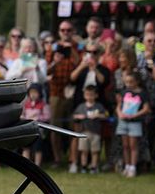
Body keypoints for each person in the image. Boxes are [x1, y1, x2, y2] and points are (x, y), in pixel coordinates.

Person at [46, 20, 81, 167]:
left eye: (68, 30)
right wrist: (55, 60)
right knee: (55, 126)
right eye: (63, 30)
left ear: (73, 31)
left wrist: (71, 49)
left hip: (73, 91)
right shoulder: (53, 48)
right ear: (59, 32)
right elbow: (47, 70)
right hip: (56, 92)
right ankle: (58, 159)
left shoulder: (78, 47)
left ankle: (73, 160)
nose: (65, 33)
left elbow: (81, 64)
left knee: (74, 127)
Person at [116, 70, 150, 178]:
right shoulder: (124, 92)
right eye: (127, 82)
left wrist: (134, 116)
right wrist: (120, 114)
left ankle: (133, 167)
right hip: (123, 121)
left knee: (133, 146)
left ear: (137, 81)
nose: (128, 84)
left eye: (131, 82)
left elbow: (146, 109)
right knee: (125, 145)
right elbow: (119, 105)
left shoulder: (142, 93)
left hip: (134, 123)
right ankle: (126, 165)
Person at [72, 84, 107, 173]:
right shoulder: (81, 106)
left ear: (96, 95)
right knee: (84, 151)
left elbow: (105, 115)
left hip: (96, 133)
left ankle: (94, 167)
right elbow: (74, 116)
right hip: (84, 133)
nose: (89, 97)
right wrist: (79, 116)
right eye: (87, 94)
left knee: (95, 151)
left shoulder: (99, 106)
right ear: (84, 95)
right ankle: (83, 166)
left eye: (91, 94)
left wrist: (98, 115)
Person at [21, 85, 50, 166]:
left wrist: (38, 118)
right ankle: (25, 165)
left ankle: (37, 165)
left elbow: (47, 117)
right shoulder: (26, 104)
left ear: (40, 93)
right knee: (26, 148)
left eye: (35, 92)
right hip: (27, 130)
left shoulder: (43, 105)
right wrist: (25, 118)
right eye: (31, 92)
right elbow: (22, 115)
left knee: (38, 149)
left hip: (38, 131)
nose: (33, 94)